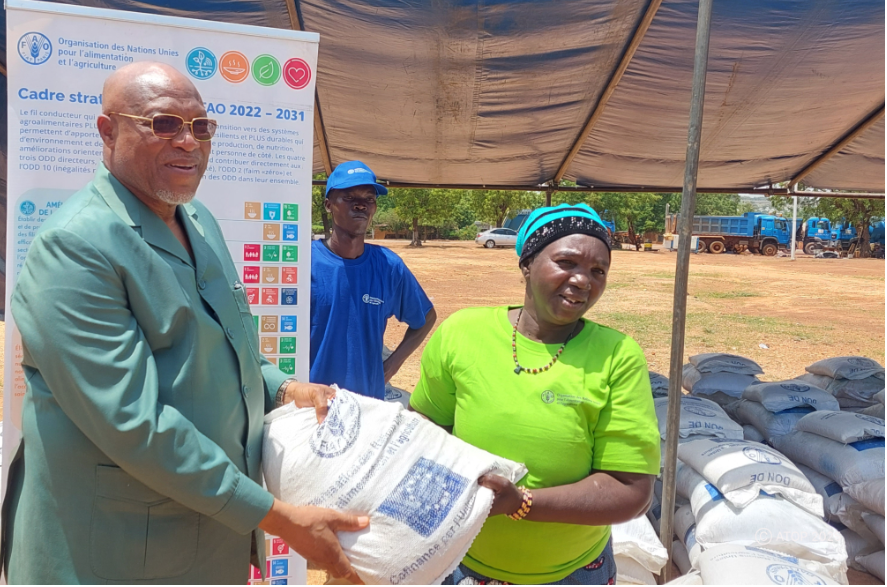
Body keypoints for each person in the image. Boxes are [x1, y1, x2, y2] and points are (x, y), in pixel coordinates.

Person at [2, 62, 367, 584]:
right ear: (108, 131)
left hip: (207, 535)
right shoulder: (75, 248)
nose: (189, 142)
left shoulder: (197, 220)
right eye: (164, 124)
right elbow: (133, 422)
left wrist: (285, 388)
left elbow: (226, 347)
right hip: (113, 549)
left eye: (201, 127)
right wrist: (278, 517)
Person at [409, 204, 660, 585]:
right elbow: (425, 434)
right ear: (527, 263)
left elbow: (631, 489)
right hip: (463, 561)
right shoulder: (462, 333)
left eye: (598, 271)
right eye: (566, 262)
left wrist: (522, 503)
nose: (582, 281)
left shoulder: (616, 355)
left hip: (573, 572)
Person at [310, 160, 436, 399]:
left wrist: (393, 364)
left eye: (369, 199)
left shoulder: (388, 266)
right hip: (312, 407)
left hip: (368, 406)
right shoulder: (306, 263)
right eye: (349, 198)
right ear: (328, 205)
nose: (361, 206)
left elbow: (426, 317)